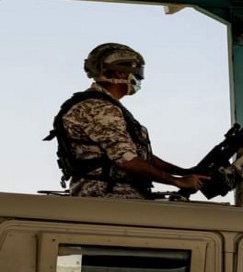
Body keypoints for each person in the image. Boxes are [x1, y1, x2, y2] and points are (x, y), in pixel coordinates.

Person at [45, 42, 207, 199]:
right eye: (137, 71)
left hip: (116, 197)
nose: (139, 77)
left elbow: (140, 156)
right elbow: (127, 160)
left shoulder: (103, 106)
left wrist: (184, 172)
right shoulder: (99, 108)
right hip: (110, 198)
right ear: (120, 73)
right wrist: (177, 181)